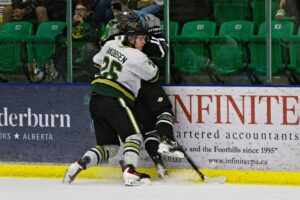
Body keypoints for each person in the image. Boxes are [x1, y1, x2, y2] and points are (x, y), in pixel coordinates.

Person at [63, 12, 159, 186]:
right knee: (134, 136)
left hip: (96, 98)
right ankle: (130, 171)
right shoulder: (138, 57)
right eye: (141, 38)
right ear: (131, 38)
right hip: (115, 98)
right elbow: (153, 75)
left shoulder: (111, 43)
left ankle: (79, 164)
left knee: (110, 147)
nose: (144, 42)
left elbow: (96, 62)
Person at [100, 2, 184, 178]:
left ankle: (159, 164)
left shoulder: (110, 39)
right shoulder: (138, 38)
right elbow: (161, 51)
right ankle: (167, 140)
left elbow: (99, 55)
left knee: (148, 129)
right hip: (144, 83)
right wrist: (156, 32)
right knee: (163, 111)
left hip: (126, 91)